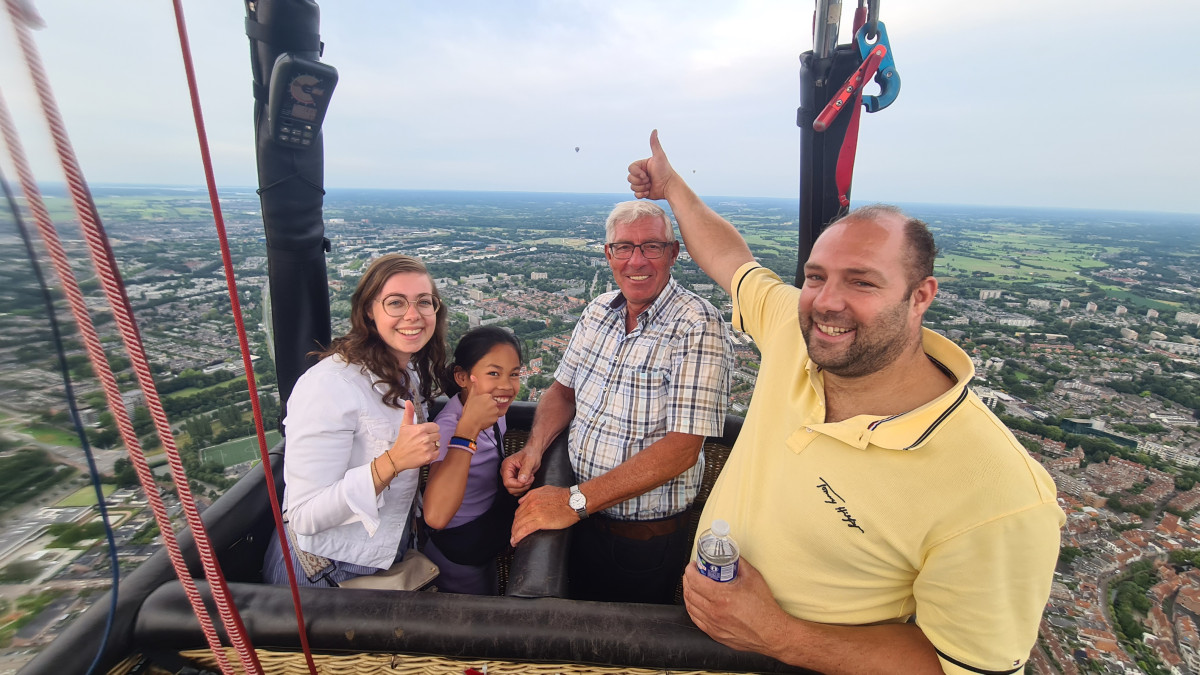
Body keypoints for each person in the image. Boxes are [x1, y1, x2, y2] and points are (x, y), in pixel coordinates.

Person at [627, 130, 1064, 674]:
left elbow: (969, 668)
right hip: (699, 639)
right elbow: (732, 260)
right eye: (816, 277)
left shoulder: (998, 491)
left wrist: (781, 636)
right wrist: (671, 187)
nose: (827, 302)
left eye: (861, 282)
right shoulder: (793, 334)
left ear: (920, 296)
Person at [502, 200, 733, 604]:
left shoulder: (698, 324)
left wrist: (574, 501)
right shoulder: (598, 311)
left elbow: (682, 448)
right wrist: (534, 450)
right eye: (624, 247)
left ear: (673, 253)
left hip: (639, 540)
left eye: (651, 246)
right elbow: (562, 392)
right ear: (608, 254)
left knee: (618, 634)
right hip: (581, 518)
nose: (636, 260)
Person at [262, 253, 446, 587]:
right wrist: (393, 462)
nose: (413, 315)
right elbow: (304, 515)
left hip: (379, 554)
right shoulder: (329, 385)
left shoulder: (407, 373)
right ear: (368, 311)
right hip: (326, 571)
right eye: (395, 302)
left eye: (424, 301)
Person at [422, 326, 523, 595]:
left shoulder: (495, 410)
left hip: (485, 534)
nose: (506, 385)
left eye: (514, 374)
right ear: (463, 377)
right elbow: (435, 515)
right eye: (494, 373)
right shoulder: (448, 428)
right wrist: (467, 432)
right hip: (459, 550)